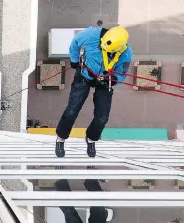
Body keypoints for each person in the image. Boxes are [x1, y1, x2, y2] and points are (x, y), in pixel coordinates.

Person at [55, 26, 133, 159]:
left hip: (105, 79)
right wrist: (74, 61)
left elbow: (122, 73)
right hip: (85, 74)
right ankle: (60, 138)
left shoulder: (126, 54)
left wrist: (113, 79)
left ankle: (91, 138)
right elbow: (75, 43)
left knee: (102, 117)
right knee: (72, 109)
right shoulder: (90, 35)